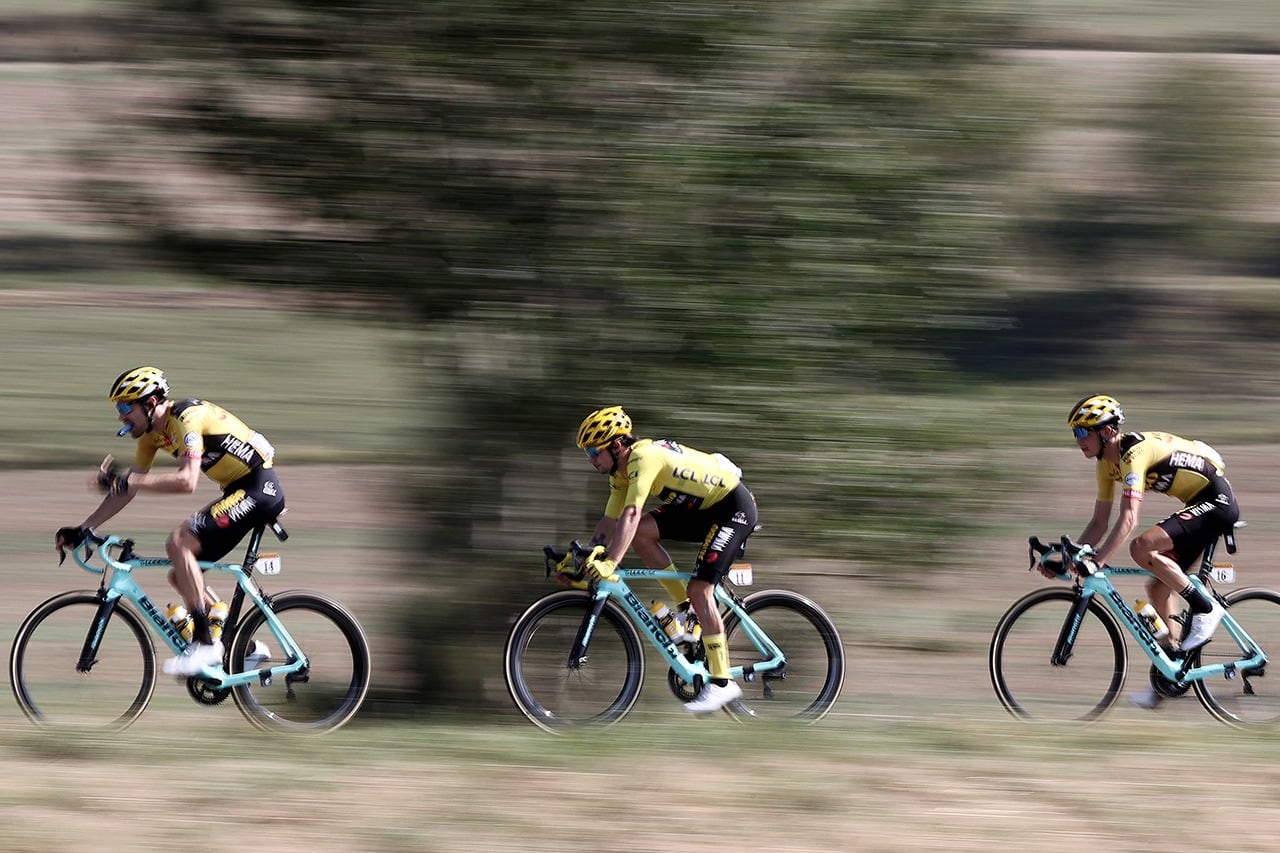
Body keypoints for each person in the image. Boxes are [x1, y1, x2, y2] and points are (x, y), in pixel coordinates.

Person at [54, 366, 286, 677]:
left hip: (259, 488)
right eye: (118, 408)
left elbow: (187, 481)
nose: (121, 416)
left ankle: (204, 645)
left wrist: (128, 481)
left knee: (178, 542)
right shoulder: (151, 437)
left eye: (125, 407)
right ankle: (245, 649)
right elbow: (126, 490)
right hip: (238, 490)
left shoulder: (187, 419)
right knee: (181, 577)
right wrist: (84, 529)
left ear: (150, 403)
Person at [574, 405, 759, 714]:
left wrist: (610, 562)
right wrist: (588, 557)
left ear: (616, 445)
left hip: (732, 508)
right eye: (587, 453)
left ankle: (722, 683)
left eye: (594, 451)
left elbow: (631, 513)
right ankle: (687, 611)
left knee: (701, 589)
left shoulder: (643, 458)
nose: (591, 459)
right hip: (701, 509)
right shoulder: (619, 473)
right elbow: (610, 522)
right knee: (640, 536)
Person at [1063, 394, 1239, 707]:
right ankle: (1171, 675)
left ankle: (1205, 608)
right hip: (1197, 505)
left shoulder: (1134, 453)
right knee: (1157, 588)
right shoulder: (1106, 464)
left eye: (1082, 432)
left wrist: (1098, 560)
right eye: (1075, 433)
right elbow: (1099, 523)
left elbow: (1129, 518)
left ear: (1107, 431)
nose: (1078, 440)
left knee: (1141, 546)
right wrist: (1070, 559)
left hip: (1217, 502)